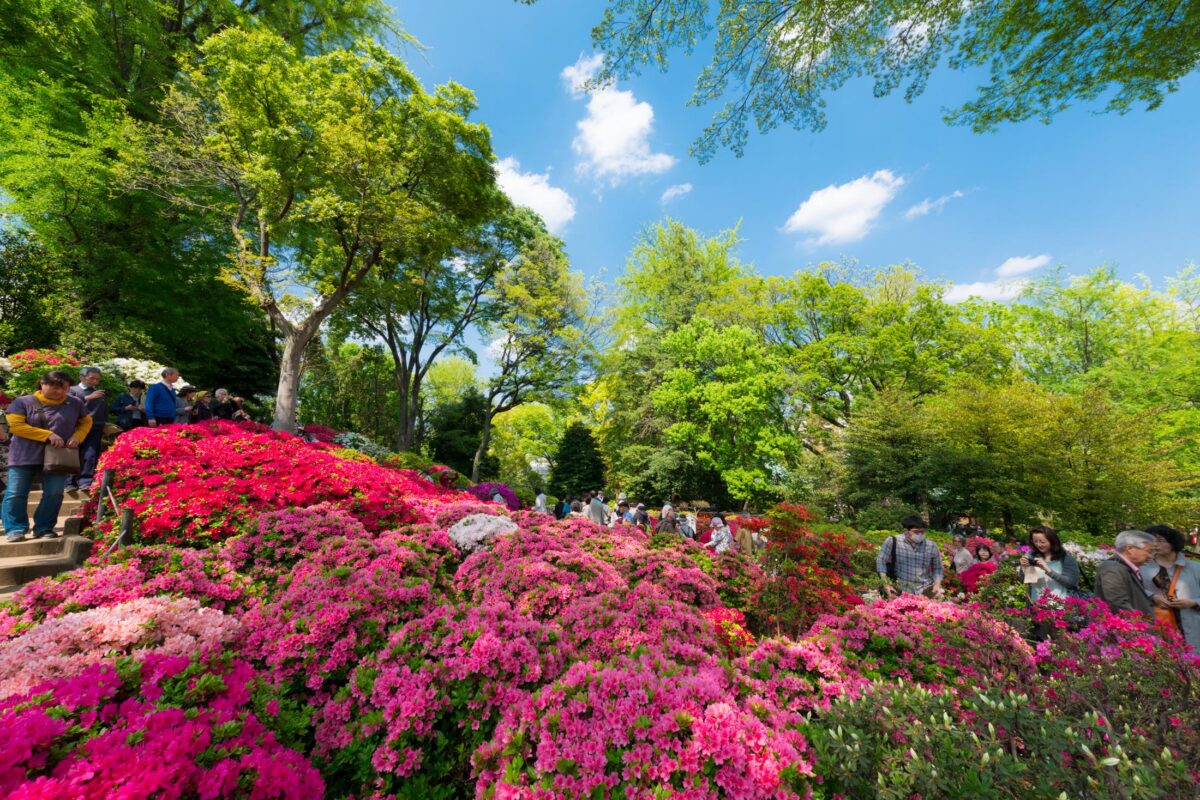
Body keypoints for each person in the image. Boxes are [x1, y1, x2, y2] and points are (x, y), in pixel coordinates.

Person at [2, 371, 92, 542]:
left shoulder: (74, 403)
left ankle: (44, 527)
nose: (59, 391)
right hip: (24, 455)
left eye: (64, 388)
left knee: (54, 493)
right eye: (54, 386)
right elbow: (15, 426)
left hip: (57, 457)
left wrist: (77, 437)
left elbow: (86, 421)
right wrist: (48, 435)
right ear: (42, 384)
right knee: (16, 493)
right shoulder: (23, 402)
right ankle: (15, 528)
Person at [1141, 524, 1200, 649]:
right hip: (1157, 625)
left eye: (1160, 540)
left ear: (1173, 542)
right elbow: (1132, 590)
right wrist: (1152, 597)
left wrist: (1193, 602)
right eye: (1151, 541)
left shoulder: (1195, 568)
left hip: (1192, 626)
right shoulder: (1142, 567)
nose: (1155, 544)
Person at [876, 515, 945, 599]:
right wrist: (886, 584)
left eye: (922, 532)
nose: (920, 534)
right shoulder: (893, 541)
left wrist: (937, 584)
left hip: (925, 589)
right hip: (901, 589)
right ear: (906, 531)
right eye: (916, 532)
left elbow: (938, 568)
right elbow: (881, 561)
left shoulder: (931, 546)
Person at [1096, 530, 1161, 618]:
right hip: (1130, 629)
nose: (1151, 556)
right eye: (1149, 551)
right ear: (1130, 549)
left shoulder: (1123, 567)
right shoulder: (1113, 569)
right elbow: (1118, 605)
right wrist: (1143, 626)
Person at [64, 366, 108, 494]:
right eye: (91, 378)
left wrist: (104, 424)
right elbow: (67, 404)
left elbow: (103, 410)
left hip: (95, 427)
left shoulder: (98, 392)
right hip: (76, 427)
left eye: (97, 379)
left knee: (90, 455)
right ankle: (69, 482)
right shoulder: (72, 390)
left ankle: (86, 482)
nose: (94, 381)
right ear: (81, 377)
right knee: (73, 454)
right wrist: (88, 397)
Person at [1018, 525, 1081, 603]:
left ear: (1052, 541)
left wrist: (1048, 570)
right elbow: (1025, 581)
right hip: (1037, 606)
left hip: (1062, 607)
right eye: (1035, 541)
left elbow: (1071, 583)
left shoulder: (1066, 559)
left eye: (1042, 542)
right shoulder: (1031, 556)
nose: (1038, 545)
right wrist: (1024, 568)